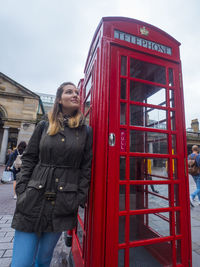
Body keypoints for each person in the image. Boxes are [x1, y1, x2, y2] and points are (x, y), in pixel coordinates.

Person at [11, 82, 93, 267]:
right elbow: (30, 158)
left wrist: (79, 196)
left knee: (43, 260)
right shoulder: (44, 125)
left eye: (77, 92)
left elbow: (86, 167)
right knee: (21, 263)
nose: (76, 95)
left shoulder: (86, 132)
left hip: (63, 202)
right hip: (33, 198)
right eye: (69, 91)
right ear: (59, 99)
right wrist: (23, 188)